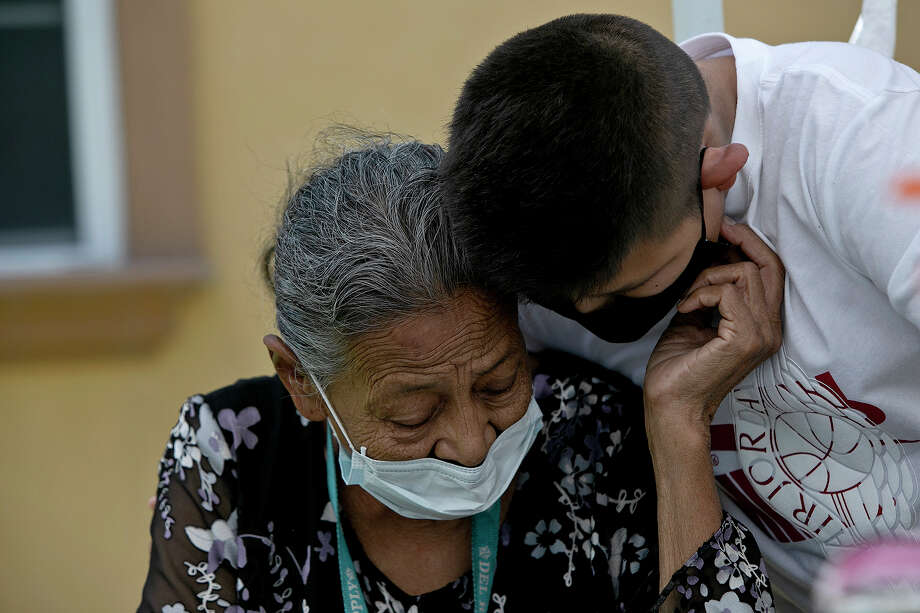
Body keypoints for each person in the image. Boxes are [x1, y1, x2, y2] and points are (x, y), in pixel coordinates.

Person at [138, 134, 776, 612]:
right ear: (300, 380)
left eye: (499, 383)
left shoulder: (592, 437)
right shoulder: (231, 450)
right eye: (415, 414)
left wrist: (679, 422)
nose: (474, 445)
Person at [440, 13, 920, 612]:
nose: (594, 317)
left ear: (720, 171)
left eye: (632, 289)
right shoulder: (523, 234)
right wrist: (675, 415)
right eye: (564, 306)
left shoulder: (867, 138)